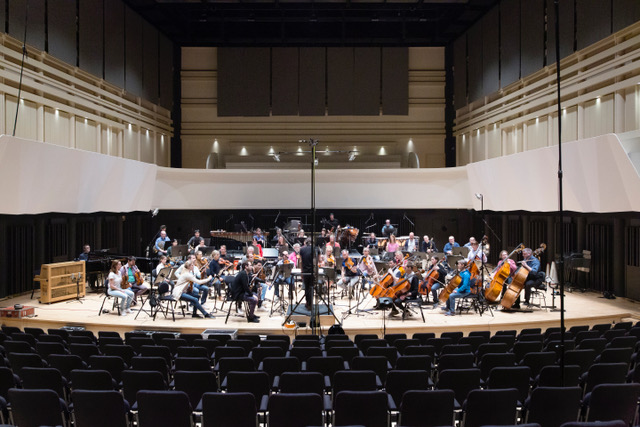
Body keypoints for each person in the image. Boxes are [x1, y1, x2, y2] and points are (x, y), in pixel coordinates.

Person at [299, 238, 315, 310]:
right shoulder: (315, 248)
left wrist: (301, 272)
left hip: (305, 271)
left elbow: (300, 261)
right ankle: (310, 304)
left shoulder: (302, 250)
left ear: (306, 242)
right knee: (311, 287)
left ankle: (307, 303)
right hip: (312, 271)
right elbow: (316, 261)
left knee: (306, 287)